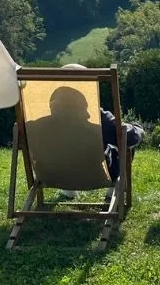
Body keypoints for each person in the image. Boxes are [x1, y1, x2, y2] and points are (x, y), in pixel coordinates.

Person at [58, 64, 144, 199]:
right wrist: (138, 127)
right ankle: (111, 192)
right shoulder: (99, 117)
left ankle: (69, 190)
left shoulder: (40, 122)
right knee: (124, 141)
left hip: (54, 174)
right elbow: (131, 136)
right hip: (95, 175)